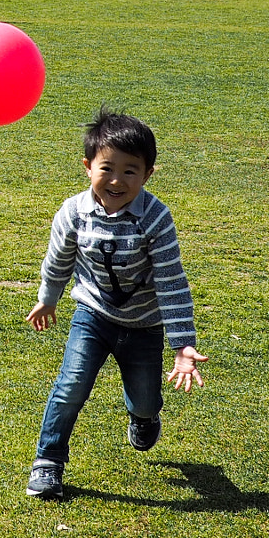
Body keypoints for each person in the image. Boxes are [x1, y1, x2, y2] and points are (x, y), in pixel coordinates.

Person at [23, 108, 205, 501]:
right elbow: (58, 260)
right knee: (70, 385)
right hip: (93, 316)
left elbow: (171, 282)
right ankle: (48, 462)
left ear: (148, 173)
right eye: (107, 168)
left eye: (130, 170)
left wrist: (182, 344)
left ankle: (143, 416)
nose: (117, 180)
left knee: (143, 397)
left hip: (144, 325)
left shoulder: (156, 218)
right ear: (88, 167)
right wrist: (47, 299)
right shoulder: (73, 212)